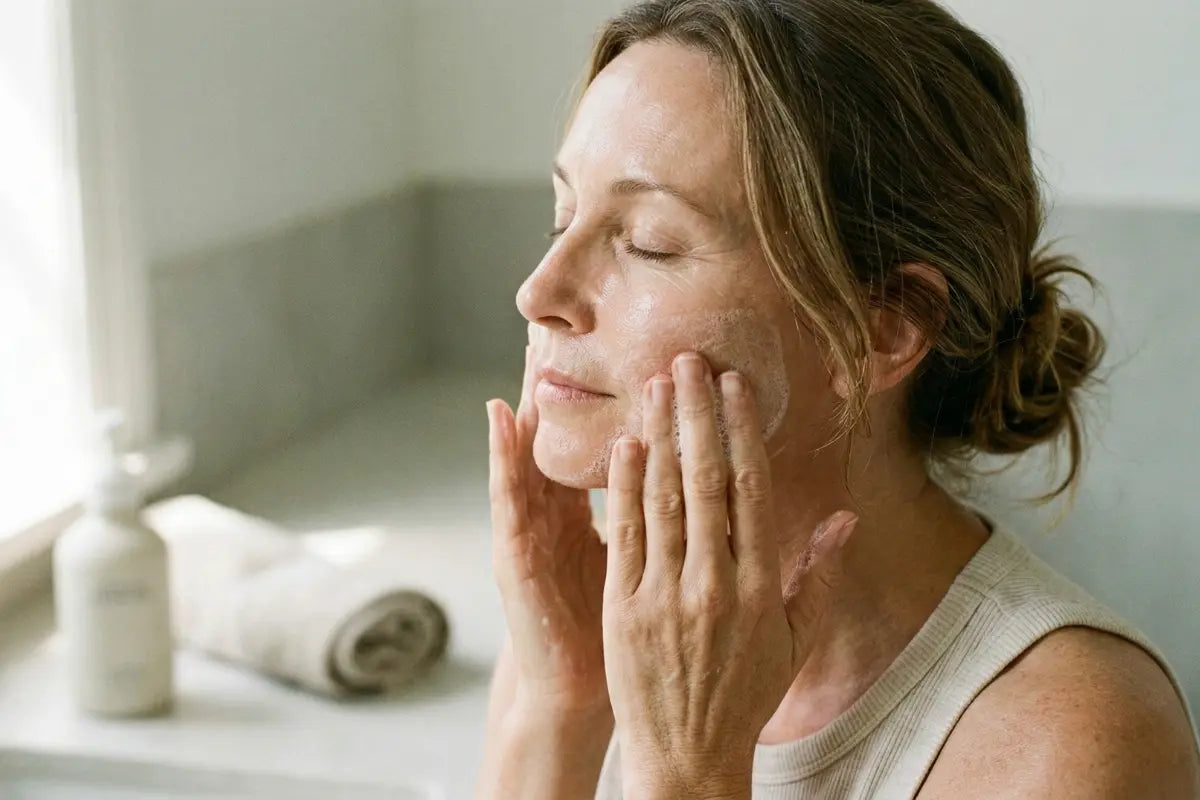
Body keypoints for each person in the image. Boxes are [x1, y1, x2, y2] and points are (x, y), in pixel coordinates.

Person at [477, 1, 1200, 797]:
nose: (537, 292)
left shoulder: (1079, 743)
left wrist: (687, 771)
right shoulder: (608, 629)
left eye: (650, 241)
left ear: (882, 329)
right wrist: (561, 707)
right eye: (562, 216)